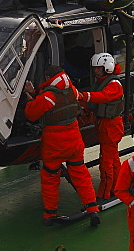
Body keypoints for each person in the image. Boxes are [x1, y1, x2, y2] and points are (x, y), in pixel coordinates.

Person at [24, 65, 101, 227]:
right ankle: (92, 208)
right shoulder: (71, 90)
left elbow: (31, 114)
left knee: (50, 177)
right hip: (74, 138)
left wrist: (28, 98)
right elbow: (78, 98)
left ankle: (50, 214)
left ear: (48, 77)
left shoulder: (48, 96)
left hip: (54, 143)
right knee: (81, 175)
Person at [80, 52, 125, 201]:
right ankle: (118, 186)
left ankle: (105, 193)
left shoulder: (114, 85)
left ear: (107, 67)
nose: (96, 71)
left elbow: (103, 97)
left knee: (106, 161)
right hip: (106, 124)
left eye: (98, 68)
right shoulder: (103, 82)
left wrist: (84, 96)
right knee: (113, 159)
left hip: (110, 126)